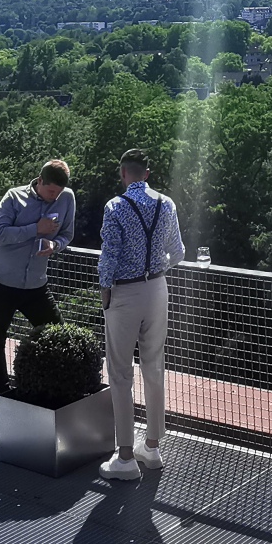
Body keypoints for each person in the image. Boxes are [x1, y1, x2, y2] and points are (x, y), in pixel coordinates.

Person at [95, 149, 183, 480]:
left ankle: (125, 457)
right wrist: (157, 270)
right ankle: (153, 447)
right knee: (154, 366)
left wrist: (106, 291)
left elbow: (109, 256)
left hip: (125, 291)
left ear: (123, 174)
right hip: (158, 289)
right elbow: (179, 251)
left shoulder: (115, 207)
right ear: (147, 173)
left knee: (119, 373)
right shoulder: (167, 204)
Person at [0, 159, 74, 396]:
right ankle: (2, 394)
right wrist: (36, 228)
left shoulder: (67, 198)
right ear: (39, 181)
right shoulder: (13, 197)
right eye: (51, 191)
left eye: (59, 192)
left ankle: (58, 389)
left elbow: (67, 234)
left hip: (35, 284)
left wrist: (55, 244)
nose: (55, 197)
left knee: (60, 336)